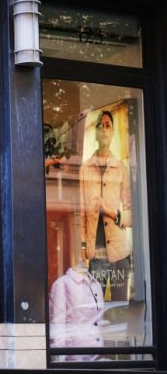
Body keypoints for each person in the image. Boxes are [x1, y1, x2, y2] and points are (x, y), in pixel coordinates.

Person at [79, 110, 132, 302]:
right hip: (96, 255)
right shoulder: (85, 168)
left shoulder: (121, 168)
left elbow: (131, 214)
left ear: (113, 132)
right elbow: (81, 213)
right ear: (95, 133)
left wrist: (108, 210)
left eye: (108, 125)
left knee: (120, 309)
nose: (103, 129)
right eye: (99, 125)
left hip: (119, 253)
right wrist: (83, 248)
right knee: (94, 312)